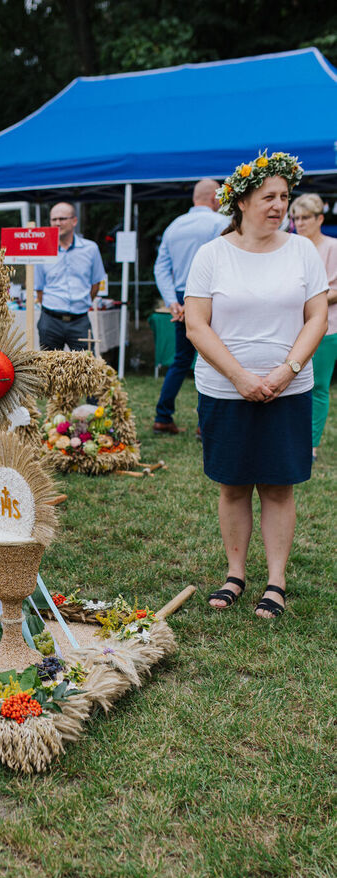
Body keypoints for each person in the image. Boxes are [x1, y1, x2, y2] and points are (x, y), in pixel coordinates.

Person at [185, 152, 328, 618]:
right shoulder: (212, 254)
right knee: (232, 484)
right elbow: (197, 326)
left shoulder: (302, 251)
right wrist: (242, 377)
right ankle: (234, 574)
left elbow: (318, 316)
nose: (279, 205)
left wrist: (286, 370)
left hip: (289, 389)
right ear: (241, 200)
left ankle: (276, 581)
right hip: (226, 390)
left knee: (279, 486)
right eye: (269, 196)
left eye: (284, 197)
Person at [153, 179, 229, 434]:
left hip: (179, 295)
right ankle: (204, 423)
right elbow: (222, 264)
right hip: (210, 295)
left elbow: (161, 267)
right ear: (214, 199)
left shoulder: (174, 226)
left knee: (181, 359)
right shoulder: (219, 223)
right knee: (213, 357)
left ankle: (162, 416)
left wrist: (173, 302)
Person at [289, 193, 337, 460]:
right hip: (293, 326)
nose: (300, 223)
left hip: (327, 327)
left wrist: (308, 299)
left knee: (318, 386)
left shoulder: (332, 247)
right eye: (295, 218)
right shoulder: (291, 246)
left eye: (305, 217)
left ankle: (311, 444)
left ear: (319, 218)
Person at [34, 201, 105, 352]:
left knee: (86, 370)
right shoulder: (42, 250)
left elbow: (96, 284)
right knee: (48, 370)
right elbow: (39, 289)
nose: (57, 223)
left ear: (74, 221)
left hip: (80, 321)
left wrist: (81, 303)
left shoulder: (90, 249)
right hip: (50, 321)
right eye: (54, 220)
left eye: (62, 219)